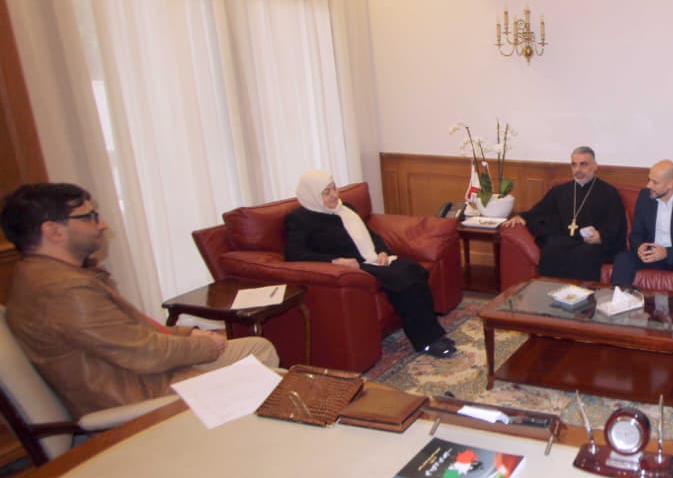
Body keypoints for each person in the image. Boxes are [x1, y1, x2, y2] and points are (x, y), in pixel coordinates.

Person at [1, 183, 279, 417]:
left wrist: (188, 334)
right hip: (141, 392)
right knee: (276, 384)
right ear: (53, 231)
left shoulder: (47, 274)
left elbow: (130, 333)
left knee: (258, 349)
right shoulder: (63, 290)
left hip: (139, 373)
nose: (102, 225)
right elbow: (145, 353)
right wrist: (205, 345)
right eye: (90, 217)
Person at [285, 171, 456, 358]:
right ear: (312, 195)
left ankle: (433, 334)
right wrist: (336, 261)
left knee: (414, 270)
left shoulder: (345, 208)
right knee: (401, 280)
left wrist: (382, 252)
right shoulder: (300, 219)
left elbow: (371, 235)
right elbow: (294, 253)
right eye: (326, 192)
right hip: (351, 267)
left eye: (334, 188)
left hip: (372, 258)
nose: (334, 195)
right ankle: (426, 342)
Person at [501, 146, 626, 283]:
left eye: (583, 164)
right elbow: (539, 211)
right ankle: (549, 292)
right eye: (574, 165)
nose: (578, 170)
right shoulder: (559, 191)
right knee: (552, 248)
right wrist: (522, 217)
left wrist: (601, 237)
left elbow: (616, 225)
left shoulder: (609, 193)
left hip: (591, 244)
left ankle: (582, 294)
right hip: (565, 240)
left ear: (595, 166)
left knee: (586, 253)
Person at [610, 160, 673, 294]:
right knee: (623, 259)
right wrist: (639, 247)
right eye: (649, 180)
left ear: (670, 184)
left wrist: (667, 252)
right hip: (650, 253)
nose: (648, 185)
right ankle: (620, 302)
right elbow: (636, 233)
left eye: (655, 182)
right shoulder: (644, 196)